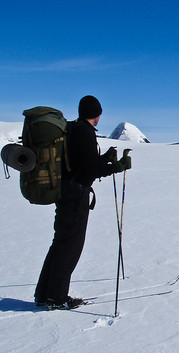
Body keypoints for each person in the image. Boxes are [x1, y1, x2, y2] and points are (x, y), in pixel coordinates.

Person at [34, 95, 131, 310]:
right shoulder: (84, 133)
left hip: (66, 192)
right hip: (75, 195)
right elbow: (89, 170)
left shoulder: (72, 129)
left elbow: (80, 162)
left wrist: (104, 157)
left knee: (60, 243)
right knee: (70, 246)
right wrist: (117, 166)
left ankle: (44, 293)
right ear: (97, 114)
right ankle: (56, 298)